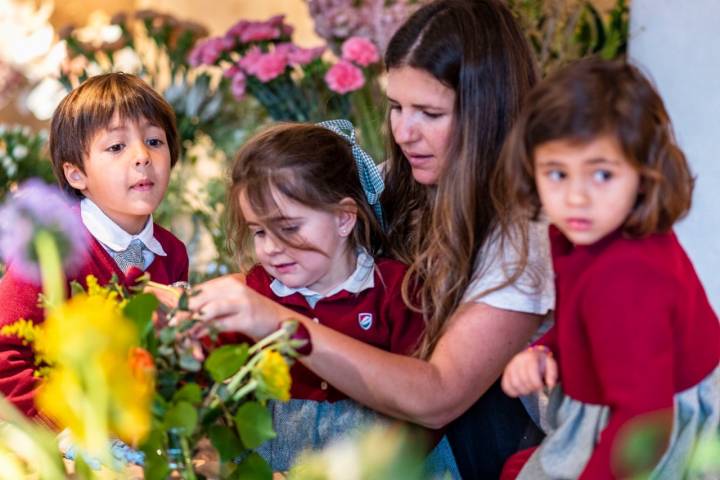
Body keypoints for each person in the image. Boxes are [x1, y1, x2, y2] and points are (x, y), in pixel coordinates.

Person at [189, 1, 554, 477]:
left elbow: (439, 396)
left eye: (429, 112)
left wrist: (276, 321)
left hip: (482, 449)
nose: (403, 132)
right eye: (396, 107)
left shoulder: (526, 233)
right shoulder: (388, 185)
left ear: (488, 112)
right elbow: (305, 261)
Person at [497, 58, 720, 479]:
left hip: (648, 430)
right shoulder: (584, 235)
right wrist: (546, 351)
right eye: (557, 173)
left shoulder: (629, 278)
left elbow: (647, 423)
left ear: (642, 172)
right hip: (623, 401)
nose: (576, 197)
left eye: (601, 174)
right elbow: (584, 319)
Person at [216, 120, 431, 471]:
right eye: (258, 232)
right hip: (273, 461)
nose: (271, 248)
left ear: (344, 218)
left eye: (288, 228)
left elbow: (419, 405)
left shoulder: (394, 289)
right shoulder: (257, 292)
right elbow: (212, 364)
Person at [0, 72, 189, 417]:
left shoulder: (172, 252)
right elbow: (5, 361)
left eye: (154, 141)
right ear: (76, 174)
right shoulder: (51, 246)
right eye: (117, 146)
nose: (142, 156)